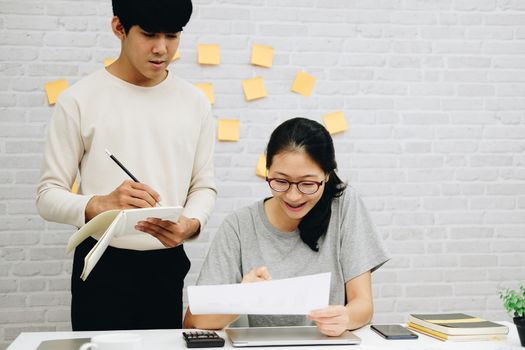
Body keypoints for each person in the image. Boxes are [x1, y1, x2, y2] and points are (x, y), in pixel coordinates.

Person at [36, 0, 216, 331]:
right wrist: (100, 204)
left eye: (173, 36)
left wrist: (191, 224)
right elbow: (47, 196)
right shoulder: (79, 99)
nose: (162, 49)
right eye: (148, 34)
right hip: (102, 266)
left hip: (167, 263)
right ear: (119, 28)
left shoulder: (196, 103)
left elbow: (203, 185)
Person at [183, 117, 389, 336]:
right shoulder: (239, 225)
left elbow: (363, 305)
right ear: (267, 170)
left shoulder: (344, 206)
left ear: (327, 175)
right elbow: (193, 321)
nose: (293, 196)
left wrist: (344, 317)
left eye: (308, 184)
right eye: (281, 181)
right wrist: (242, 297)